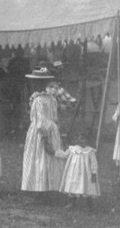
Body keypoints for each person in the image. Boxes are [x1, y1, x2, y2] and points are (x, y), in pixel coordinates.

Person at [21, 68, 64, 199]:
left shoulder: (40, 100)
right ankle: (46, 188)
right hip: (49, 130)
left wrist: (45, 138)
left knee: (41, 158)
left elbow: (41, 121)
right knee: (45, 160)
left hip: (42, 133)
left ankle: (41, 190)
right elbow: (54, 118)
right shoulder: (49, 99)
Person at [56, 130, 100, 209]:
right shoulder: (73, 149)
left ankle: (90, 205)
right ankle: (71, 203)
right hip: (74, 173)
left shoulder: (90, 151)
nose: (83, 141)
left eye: (85, 139)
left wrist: (94, 172)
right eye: (81, 139)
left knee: (88, 187)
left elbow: (94, 163)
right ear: (77, 140)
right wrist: (54, 152)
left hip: (86, 174)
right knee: (73, 186)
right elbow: (64, 154)